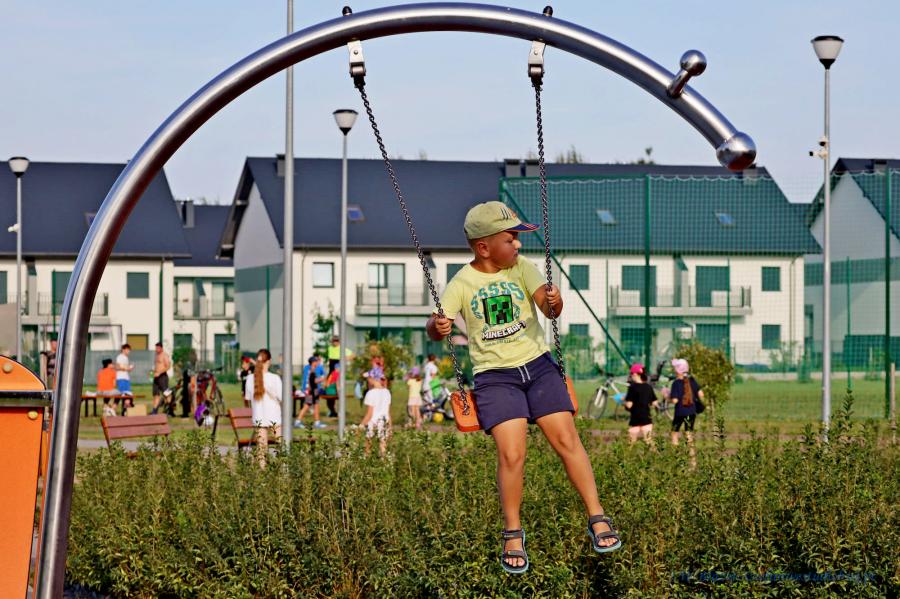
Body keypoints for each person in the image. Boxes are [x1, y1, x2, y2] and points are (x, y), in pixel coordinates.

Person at [426, 201, 622, 574]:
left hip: (538, 366)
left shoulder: (523, 268)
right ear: (484, 247)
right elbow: (436, 325)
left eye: (517, 238)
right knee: (512, 454)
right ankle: (513, 533)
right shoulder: (461, 284)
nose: (517, 245)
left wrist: (555, 300)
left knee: (567, 439)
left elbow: (549, 309)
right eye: (510, 239)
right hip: (495, 376)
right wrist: (438, 327)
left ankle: (597, 516)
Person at [243, 349, 282, 466]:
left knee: (261, 449)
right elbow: (281, 397)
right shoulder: (275, 378)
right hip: (274, 417)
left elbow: (248, 398)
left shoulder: (250, 379)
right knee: (281, 446)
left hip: (258, 417)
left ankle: (262, 472)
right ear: (269, 361)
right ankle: (283, 471)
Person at [669, 358, 703, 468]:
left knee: (674, 433)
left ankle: (677, 460)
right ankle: (693, 462)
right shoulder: (692, 380)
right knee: (689, 435)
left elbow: (674, 400)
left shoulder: (676, 383)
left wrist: (667, 396)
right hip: (691, 412)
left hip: (680, 413)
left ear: (677, 370)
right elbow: (701, 394)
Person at [359, 364, 391, 457]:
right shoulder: (387, 392)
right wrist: (390, 426)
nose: (368, 380)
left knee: (368, 446)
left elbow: (369, 414)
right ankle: (384, 462)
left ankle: (367, 461)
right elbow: (388, 412)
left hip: (372, 423)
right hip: (384, 422)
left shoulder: (370, 393)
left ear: (373, 379)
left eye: (368, 378)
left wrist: (361, 425)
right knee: (383, 446)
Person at [622, 363, 657, 445]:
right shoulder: (648, 387)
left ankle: (629, 454)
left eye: (631, 374)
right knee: (648, 441)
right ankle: (655, 453)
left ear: (635, 374)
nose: (631, 376)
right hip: (647, 418)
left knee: (631, 442)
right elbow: (655, 402)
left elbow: (629, 405)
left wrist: (623, 401)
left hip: (636, 418)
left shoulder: (632, 387)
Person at [294, 356, 327, 430]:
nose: (318, 363)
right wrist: (322, 379)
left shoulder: (310, 369)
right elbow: (313, 381)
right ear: (313, 362)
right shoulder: (311, 370)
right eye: (316, 361)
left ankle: (317, 422)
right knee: (307, 405)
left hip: (313, 390)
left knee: (316, 405)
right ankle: (297, 421)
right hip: (311, 391)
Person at [150, 342, 172, 415]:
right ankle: (154, 411)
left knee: (166, 394)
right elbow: (156, 366)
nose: (156, 349)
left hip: (163, 377)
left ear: (161, 348)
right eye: (156, 348)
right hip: (156, 377)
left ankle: (170, 409)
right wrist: (152, 373)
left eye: (158, 348)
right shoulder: (156, 355)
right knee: (156, 394)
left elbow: (168, 366)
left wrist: (160, 372)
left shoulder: (164, 355)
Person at [115, 344, 135, 409]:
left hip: (126, 378)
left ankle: (126, 409)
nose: (129, 351)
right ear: (123, 350)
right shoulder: (120, 357)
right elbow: (117, 367)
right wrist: (126, 368)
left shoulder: (126, 358)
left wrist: (130, 368)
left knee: (128, 394)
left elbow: (126, 368)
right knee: (121, 394)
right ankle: (112, 408)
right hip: (121, 378)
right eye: (128, 350)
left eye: (129, 350)